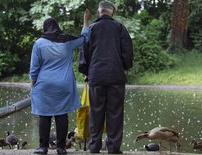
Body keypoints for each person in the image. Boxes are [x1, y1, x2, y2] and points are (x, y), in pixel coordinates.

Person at [29, 9, 91, 155]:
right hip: (64, 85)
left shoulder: (38, 43)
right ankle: (61, 148)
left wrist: (33, 83)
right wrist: (85, 20)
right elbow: (85, 38)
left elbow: (34, 67)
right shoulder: (67, 42)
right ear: (57, 28)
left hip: (44, 85)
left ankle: (43, 147)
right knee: (61, 115)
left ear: (45, 29)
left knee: (44, 115)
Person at [79, 1, 133, 154]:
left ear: (99, 12)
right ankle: (113, 148)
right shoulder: (120, 28)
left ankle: (94, 146)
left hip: (96, 77)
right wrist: (124, 65)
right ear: (112, 13)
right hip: (116, 76)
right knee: (115, 112)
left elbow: (84, 51)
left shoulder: (91, 29)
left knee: (96, 112)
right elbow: (127, 52)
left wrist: (85, 70)